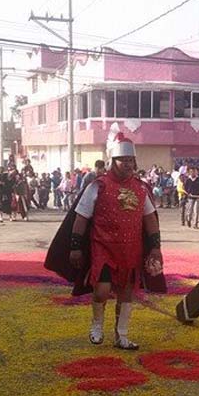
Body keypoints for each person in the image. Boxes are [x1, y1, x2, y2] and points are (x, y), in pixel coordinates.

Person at [66, 132, 162, 350]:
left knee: (127, 293)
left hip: (131, 250)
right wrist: (75, 247)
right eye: (123, 160)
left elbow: (150, 220)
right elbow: (81, 218)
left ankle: (122, 335)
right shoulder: (97, 186)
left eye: (131, 160)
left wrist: (155, 248)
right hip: (103, 248)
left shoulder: (141, 188)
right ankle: (97, 326)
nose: (128, 164)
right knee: (101, 290)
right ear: (113, 161)